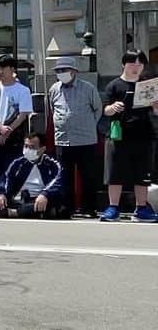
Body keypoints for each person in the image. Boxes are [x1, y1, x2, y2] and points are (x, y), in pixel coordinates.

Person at [100, 50, 158, 222]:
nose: (136, 68)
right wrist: (113, 107)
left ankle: (141, 208)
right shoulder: (114, 85)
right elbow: (105, 110)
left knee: (142, 174)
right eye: (132, 63)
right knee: (115, 173)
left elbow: (155, 112)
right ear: (123, 64)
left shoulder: (148, 85)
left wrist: (155, 107)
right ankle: (113, 207)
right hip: (119, 134)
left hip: (144, 134)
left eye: (140, 64)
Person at [46, 56, 103, 217]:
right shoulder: (54, 89)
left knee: (88, 176)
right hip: (63, 139)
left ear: (73, 71)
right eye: (58, 71)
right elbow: (52, 109)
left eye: (64, 70)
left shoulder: (88, 88)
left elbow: (98, 109)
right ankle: (66, 208)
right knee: (65, 176)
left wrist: (88, 124)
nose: (61, 73)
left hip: (86, 139)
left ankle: (89, 208)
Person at [0, 55, 33, 194]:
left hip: (13, 134)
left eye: (2, 68)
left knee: (10, 167)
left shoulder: (22, 90)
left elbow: (23, 114)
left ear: (12, 69)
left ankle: (7, 196)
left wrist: (7, 131)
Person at [0, 133, 69, 219]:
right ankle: (36, 213)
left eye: (32, 147)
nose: (27, 150)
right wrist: (1, 193)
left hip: (41, 199)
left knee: (62, 208)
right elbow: (5, 178)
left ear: (42, 149)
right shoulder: (17, 163)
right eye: (26, 146)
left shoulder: (53, 164)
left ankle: (17, 213)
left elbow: (58, 181)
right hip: (20, 200)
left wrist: (45, 194)